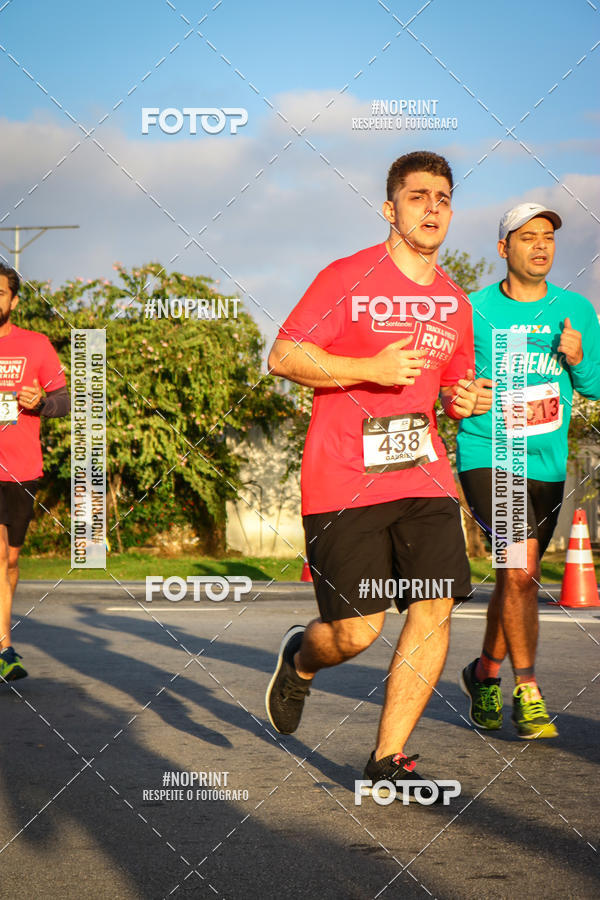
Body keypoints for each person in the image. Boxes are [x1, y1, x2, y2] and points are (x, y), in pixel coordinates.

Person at [265, 150, 481, 797]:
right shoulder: (348, 276)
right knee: (358, 632)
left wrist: (466, 400)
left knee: (434, 606)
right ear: (391, 209)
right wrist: (369, 370)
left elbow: (454, 388)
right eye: (418, 196)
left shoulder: (453, 302)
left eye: (443, 197)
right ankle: (302, 657)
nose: (433, 207)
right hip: (342, 479)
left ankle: (388, 755)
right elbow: (283, 355)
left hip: (423, 477)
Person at [457, 202, 600, 738]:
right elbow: (449, 383)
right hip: (488, 453)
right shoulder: (471, 310)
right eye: (527, 237)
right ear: (503, 249)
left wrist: (580, 356)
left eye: (548, 237)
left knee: (515, 577)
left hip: (545, 461)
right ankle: (530, 691)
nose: (541, 245)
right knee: (519, 571)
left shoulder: (575, 310)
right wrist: (458, 397)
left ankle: (485, 673)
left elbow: (595, 386)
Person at [0, 263, 70, 681]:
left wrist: (41, 403)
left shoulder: (35, 345)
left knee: (10, 559)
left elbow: (64, 401)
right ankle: (4, 648)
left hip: (22, 468)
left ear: (13, 300)